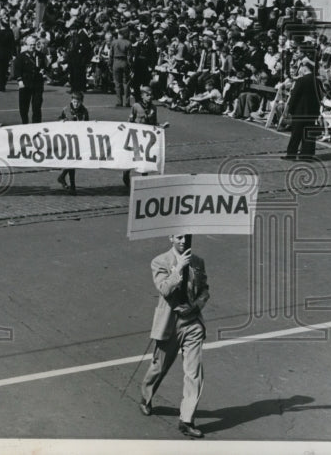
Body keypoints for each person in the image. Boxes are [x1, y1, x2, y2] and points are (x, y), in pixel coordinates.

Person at [139, 234, 210, 439]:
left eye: (186, 238)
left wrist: (195, 306)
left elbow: (205, 290)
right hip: (170, 323)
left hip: (193, 322)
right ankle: (146, 397)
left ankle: (186, 420)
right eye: (179, 237)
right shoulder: (160, 261)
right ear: (171, 238)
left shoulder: (198, 262)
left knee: (194, 372)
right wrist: (178, 268)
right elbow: (164, 289)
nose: (183, 241)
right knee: (159, 366)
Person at [123, 86, 170, 190]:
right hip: (136, 137)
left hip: (146, 139)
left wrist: (162, 126)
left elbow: (154, 123)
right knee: (131, 157)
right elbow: (130, 121)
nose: (149, 97)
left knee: (145, 159)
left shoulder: (154, 108)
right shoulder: (136, 106)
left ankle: (143, 180)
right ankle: (126, 173)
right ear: (142, 95)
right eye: (147, 95)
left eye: (151, 95)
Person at [283, 60, 322, 160]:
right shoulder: (317, 81)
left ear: (305, 68)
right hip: (312, 111)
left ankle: (291, 154)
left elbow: (294, 96)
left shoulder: (301, 80)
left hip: (300, 111)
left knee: (296, 134)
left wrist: (288, 110)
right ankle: (306, 154)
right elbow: (320, 96)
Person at [57, 90, 89, 194]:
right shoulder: (66, 110)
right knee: (72, 161)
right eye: (74, 101)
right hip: (67, 139)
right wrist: (61, 121)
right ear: (72, 101)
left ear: (81, 102)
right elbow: (57, 121)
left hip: (78, 140)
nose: (76, 104)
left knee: (74, 161)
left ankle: (63, 177)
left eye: (78, 102)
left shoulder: (84, 112)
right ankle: (72, 185)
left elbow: (88, 125)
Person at [13, 34, 48, 124]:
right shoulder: (21, 56)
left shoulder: (40, 55)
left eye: (34, 44)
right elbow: (17, 70)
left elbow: (45, 67)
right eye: (30, 45)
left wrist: (44, 71)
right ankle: (25, 123)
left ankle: (36, 125)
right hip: (25, 83)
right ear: (26, 45)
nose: (32, 46)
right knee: (24, 107)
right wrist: (20, 81)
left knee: (37, 106)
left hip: (37, 83)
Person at [0, 13, 17, 92]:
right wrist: (14, 53)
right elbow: (13, 44)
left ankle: (1, 84)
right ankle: (3, 83)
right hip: (6, 53)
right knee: (4, 69)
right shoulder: (10, 32)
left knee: (0, 69)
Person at [111, 27, 132, 107]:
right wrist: (130, 65)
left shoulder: (114, 42)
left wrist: (110, 63)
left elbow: (111, 55)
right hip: (124, 62)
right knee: (126, 82)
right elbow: (129, 56)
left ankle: (119, 101)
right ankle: (127, 101)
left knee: (117, 83)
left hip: (116, 61)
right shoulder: (128, 43)